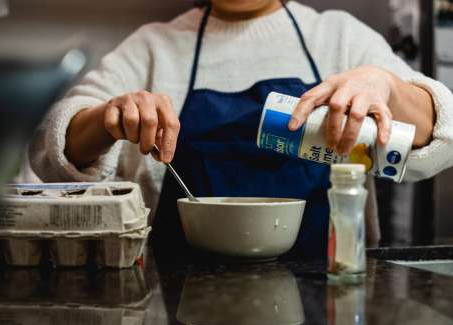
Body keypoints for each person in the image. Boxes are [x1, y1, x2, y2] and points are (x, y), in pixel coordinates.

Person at [30, 0, 453, 259]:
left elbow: (443, 137)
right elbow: (49, 154)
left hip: (331, 291)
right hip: (179, 299)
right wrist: (108, 117)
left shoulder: (337, 38)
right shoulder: (153, 47)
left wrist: (388, 88)